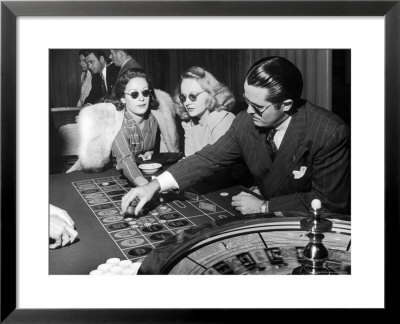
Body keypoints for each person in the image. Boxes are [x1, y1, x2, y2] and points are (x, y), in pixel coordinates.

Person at [121, 56, 350, 215]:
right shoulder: (244, 121)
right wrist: (153, 186)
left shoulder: (329, 132)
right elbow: (208, 158)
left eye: (258, 107)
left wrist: (264, 207)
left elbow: (330, 203)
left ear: (286, 104)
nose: (248, 111)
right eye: (247, 101)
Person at [67, 69, 180, 187]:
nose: (141, 98)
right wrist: (147, 187)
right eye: (134, 94)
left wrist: (148, 153)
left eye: (145, 92)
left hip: (134, 175)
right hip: (102, 177)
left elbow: (158, 150)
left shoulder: (154, 119)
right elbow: (125, 159)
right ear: (122, 98)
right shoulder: (116, 122)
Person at [173, 66, 236, 156]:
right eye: (183, 97)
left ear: (210, 93)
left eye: (193, 96)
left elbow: (219, 163)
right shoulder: (189, 124)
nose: (186, 102)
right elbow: (189, 160)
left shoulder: (222, 119)